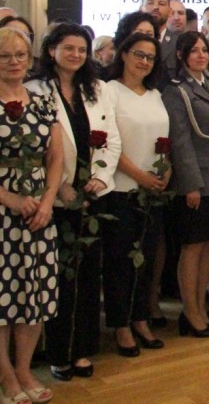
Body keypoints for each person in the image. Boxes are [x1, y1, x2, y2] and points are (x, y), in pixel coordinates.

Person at [28, 24, 120, 380]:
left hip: (94, 194)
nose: (76, 55)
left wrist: (100, 177)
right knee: (59, 279)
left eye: (82, 49)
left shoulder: (97, 88)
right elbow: (36, 150)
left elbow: (111, 139)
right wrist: (62, 187)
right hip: (55, 198)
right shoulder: (35, 90)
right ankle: (58, 353)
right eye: (69, 48)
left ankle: (82, 349)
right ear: (51, 50)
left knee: (88, 274)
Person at [0, 26, 62, 404]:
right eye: (5, 56)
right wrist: (8, 197)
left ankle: (24, 369)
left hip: (38, 211)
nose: (14, 62)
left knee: (33, 292)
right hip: (2, 211)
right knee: (2, 295)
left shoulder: (42, 101)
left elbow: (56, 157)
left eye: (20, 55)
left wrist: (48, 200)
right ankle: (7, 377)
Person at [100, 33, 170, 359]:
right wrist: (139, 176)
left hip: (152, 191)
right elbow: (108, 141)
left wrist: (166, 169)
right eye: (138, 54)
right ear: (124, 54)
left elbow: (164, 140)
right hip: (121, 189)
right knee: (120, 262)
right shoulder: (109, 91)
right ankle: (121, 325)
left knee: (147, 259)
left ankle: (140, 318)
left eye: (150, 57)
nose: (144, 61)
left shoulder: (155, 94)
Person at [162, 32, 209, 338]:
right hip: (196, 181)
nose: (202, 55)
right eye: (194, 51)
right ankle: (189, 311)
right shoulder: (176, 91)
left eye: (204, 50)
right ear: (181, 55)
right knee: (192, 247)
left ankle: (201, 306)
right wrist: (191, 184)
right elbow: (180, 141)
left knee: (207, 246)